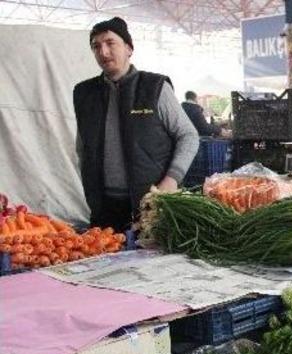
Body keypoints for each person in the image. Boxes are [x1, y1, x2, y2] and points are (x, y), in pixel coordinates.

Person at [74, 17, 199, 232]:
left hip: (151, 202)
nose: (103, 52)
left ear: (129, 48)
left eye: (110, 43)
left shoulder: (154, 88)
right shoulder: (85, 93)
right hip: (104, 208)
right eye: (96, 46)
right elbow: (81, 145)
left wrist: (171, 180)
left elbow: (188, 135)